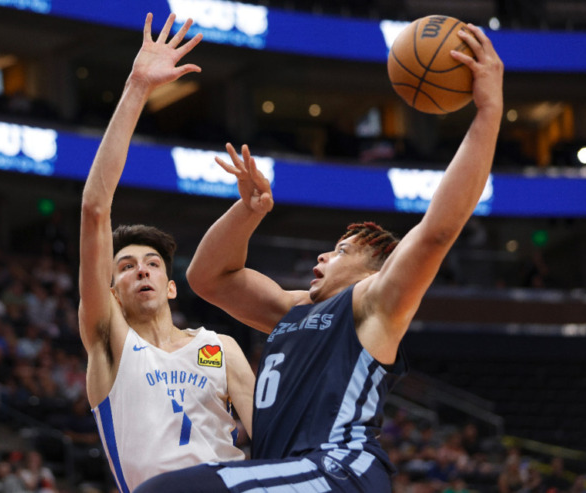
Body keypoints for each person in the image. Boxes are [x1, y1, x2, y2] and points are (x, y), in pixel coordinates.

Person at [136, 22, 504, 493]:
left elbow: (436, 232)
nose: (322, 255)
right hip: (288, 473)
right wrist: (247, 212)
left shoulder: (374, 303)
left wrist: (488, 111)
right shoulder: (292, 312)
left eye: (342, 250)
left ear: (375, 270)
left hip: (337, 469)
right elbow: (208, 278)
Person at [78, 12, 255, 491]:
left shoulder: (219, 349)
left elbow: (272, 443)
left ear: (171, 285)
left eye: (153, 264)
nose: (143, 272)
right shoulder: (110, 342)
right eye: (127, 266)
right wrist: (138, 87)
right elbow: (96, 208)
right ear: (110, 292)